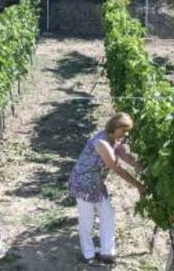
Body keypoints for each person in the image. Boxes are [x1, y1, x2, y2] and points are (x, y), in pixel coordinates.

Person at [69, 112, 145, 266]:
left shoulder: (114, 140)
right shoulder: (101, 143)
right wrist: (138, 186)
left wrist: (145, 169)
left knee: (108, 214)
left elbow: (126, 157)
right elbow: (117, 168)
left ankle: (107, 253)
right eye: (124, 130)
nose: (125, 134)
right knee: (87, 221)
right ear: (115, 127)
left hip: (97, 184)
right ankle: (88, 255)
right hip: (83, 183)